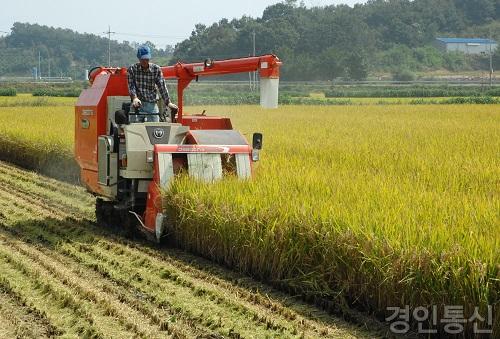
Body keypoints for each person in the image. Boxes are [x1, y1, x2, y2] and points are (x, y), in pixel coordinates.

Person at [127, 45, 178, 122]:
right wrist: (134, 98)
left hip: (152, 105)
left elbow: (162, 87)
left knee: (155, 130)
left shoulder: (156, 69)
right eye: (143, 59)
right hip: (137, 105)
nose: (145, 61)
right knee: (133, 129)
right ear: (139, 58)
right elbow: (131, 85)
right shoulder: (132, 69)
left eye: (147, 59)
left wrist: (168, 103)